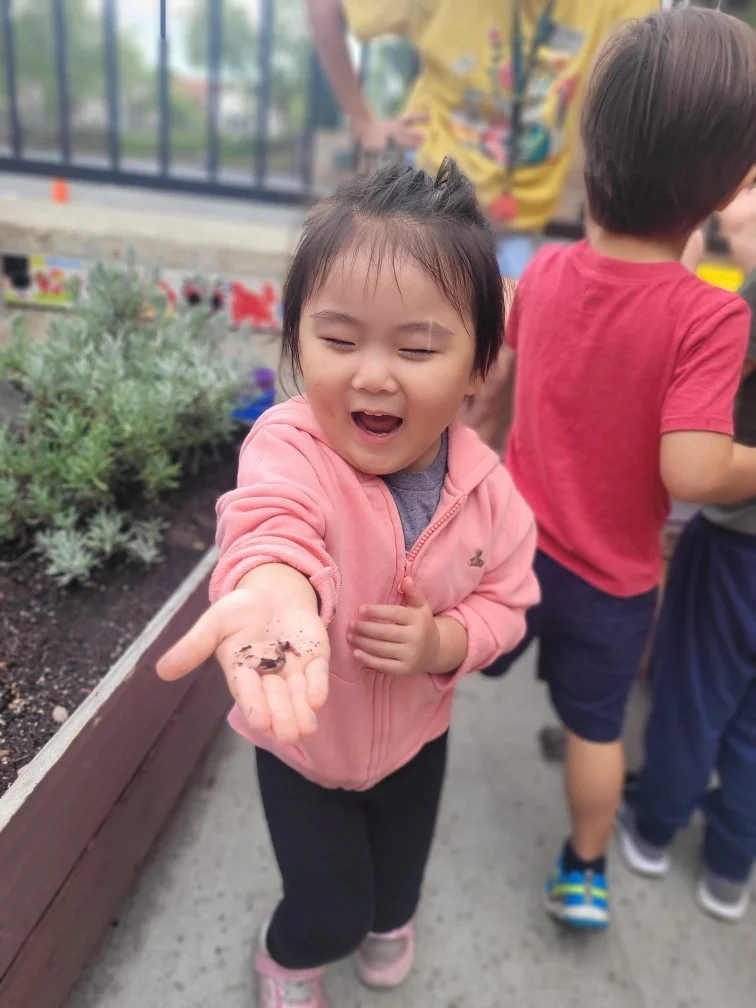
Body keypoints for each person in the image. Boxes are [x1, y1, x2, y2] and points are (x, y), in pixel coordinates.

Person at [156, 161, 539, 1007]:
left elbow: (510, 603)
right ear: (298, 341)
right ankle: (286, 958)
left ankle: (388, 916)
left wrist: (447, 641)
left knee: (396, 890)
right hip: (304, 745)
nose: (372, 375)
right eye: (338, 340)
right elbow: (272, 524)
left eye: (417, 348)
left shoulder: (489, 492)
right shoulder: (289, 448)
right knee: (330, 911)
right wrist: (274, 586)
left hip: (417, 738)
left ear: (479, 366)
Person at [480, 7, 756, 931]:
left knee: (458, 653)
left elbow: (500, 380)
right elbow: (695, 470)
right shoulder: (710, 317)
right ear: (730, 186)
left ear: (589, 143)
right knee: (596, 732)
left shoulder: (548, 272)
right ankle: (586, 870)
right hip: (611, 583)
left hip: (514, 547)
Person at [307, 0, 658, 279]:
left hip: (520, 220)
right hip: (433, 200)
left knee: (504, 333)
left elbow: (642, 89)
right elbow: (326, 7)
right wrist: (363, 122)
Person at [616, 246, 756, 924]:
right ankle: (730, 867)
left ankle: (652, 828)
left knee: (693, 695)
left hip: (738, 544)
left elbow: (717, 381)